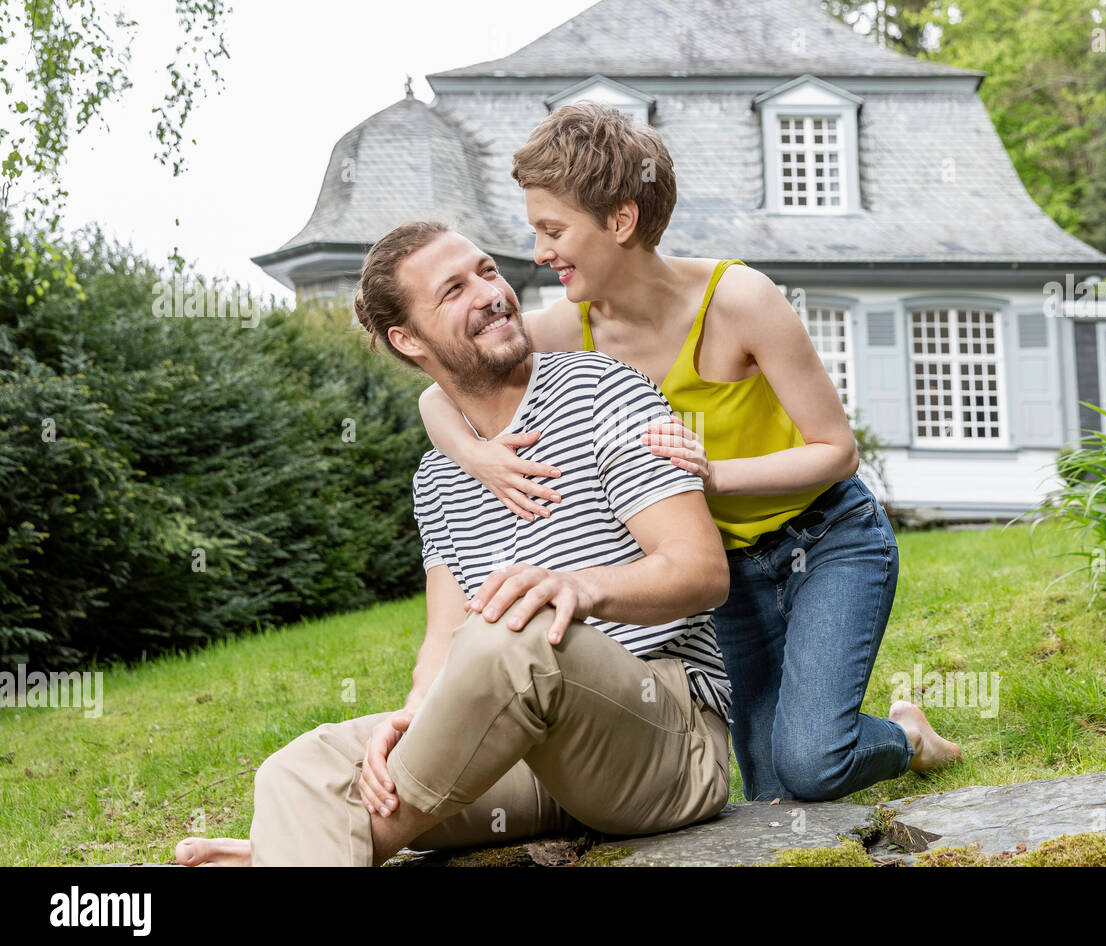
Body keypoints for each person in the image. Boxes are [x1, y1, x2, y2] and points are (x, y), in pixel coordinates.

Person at [417, 103, 961, 804]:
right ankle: (866, 738)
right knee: (772, 794)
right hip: (727, 576)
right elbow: (440, 394)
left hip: (828, 539)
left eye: (553, 231)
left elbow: (837, 451)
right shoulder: (571, 328)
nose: (540, 252)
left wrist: (707, 476)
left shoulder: (739, 299)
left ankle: (907, 736)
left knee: (813, 765)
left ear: (619, 220)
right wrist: (478, 458)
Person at [175, 221, 733, 866]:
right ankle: (302, 849)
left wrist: (581, 587)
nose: (490, 292)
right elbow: (444, 636)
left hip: (662, 744)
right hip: (533, 763)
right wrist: (412, 719)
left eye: (487, 271)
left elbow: (699, 571)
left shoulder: (607, 392)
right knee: (305, 766)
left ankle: (320, 847)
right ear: (406, 339)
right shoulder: (439, 475)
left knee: (518, 635)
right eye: (454, 289)